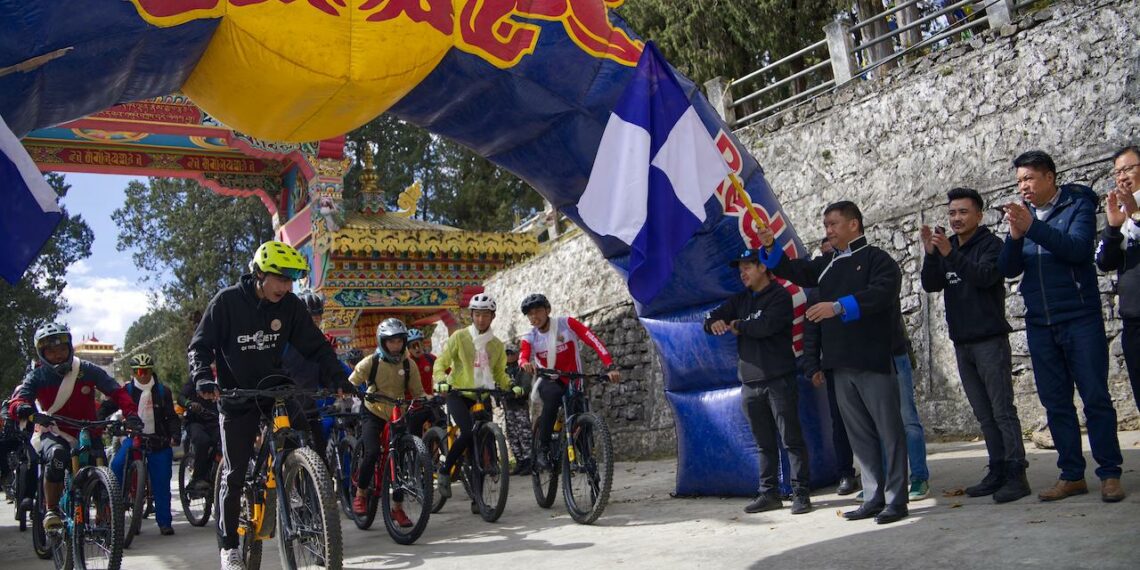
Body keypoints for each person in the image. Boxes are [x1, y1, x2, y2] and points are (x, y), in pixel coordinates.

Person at [187, 240, 353, 570]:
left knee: (301, 441)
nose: (286, 286)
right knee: (234, 474)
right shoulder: (227, 302)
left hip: (275, 389)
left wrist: (337, 377)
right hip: (237, 395)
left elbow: (317, 346)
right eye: (281, 277)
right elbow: (200, 346)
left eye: (291, 279)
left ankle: (294, 482)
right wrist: (204, 378)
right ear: (260, 273)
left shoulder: (290, 306)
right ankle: (230, 546)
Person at [758, 201, 909, 525]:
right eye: (825, 225)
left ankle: (897, 500)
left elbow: (881, 294)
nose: (828, 231)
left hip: (872, 360)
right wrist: (770, 245)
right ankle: (872, 496)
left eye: (833, 224)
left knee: (889, 433)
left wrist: (838, 307)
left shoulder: (877, 259)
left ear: (854, 224)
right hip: (839, 364)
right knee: (859, 436)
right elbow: (793, 270)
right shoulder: (826, 264)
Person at [998, 150, 1124, 503]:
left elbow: (1077, 249)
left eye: (1029, 178)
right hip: (1040, 322)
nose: (1023, 186)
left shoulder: (1077, 206)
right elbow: (1008, 269)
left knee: (1095, 398)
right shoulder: (1024, 219)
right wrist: (1014, 235)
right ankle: (1071, 475)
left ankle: (1110, 473)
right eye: (1019, 180)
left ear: (1050, 177)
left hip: (1079, 317)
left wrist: (1032, 227)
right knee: (1056, 403)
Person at [921, 187, 1029, 503]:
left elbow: (983, 277)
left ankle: (1016, 473)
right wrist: (931, 254)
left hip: (989, 341)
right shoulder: (947, 246)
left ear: (979, 215)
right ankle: (996, 469)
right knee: (984, 414)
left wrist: (948, 255)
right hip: (962, 342)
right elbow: (931, 284)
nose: (956, 218)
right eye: (952, 212)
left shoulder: (991, 245)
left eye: (963, 212)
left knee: (1002, 410)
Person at [705, 249, 812, 515]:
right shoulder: (740, 300)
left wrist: (738, 325)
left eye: (747, 267)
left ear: (763, 267)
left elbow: (765, 326)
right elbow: (710, 319)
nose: (743, 274)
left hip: (779, 380)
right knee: (763, 443)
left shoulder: (780, 296)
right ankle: (769, 493)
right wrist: (715, 324)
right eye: (740, 269)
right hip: (750, 385)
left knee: (791, 440)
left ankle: (801, 493)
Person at [8, 322, 138, 531]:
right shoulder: (37, 376)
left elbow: (116, 391)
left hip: (88, 430)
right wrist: (23, 409)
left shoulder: (87, 370)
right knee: (57, 456)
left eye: (62, 349)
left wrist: (131, 414)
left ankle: (106, 518)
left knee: (102, 469)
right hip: (54, 430)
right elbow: (19, 399)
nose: (58, 355)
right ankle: (51, 510)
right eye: (51, 351)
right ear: (42, 354)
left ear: (69, 348)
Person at [433, 293, 521, 501]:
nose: (481, 319)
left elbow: (499, 372)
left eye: (486, 315)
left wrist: (511, 385)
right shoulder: (460, 337)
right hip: (458, 393)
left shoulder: (497, 345)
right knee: (467, 432)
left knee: (480, 445)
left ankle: (478, 498)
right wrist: (440, 380)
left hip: (483, 394)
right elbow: (441, 362)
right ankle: (445, 470)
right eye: (478, 315)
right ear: (471, 315)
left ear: (493, 317)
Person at [517, 293, 620, 471]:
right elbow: (523, 356)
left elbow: (593, 340)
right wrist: (525, 363)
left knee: (581, 426)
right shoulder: (530, 336)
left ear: (548, 310)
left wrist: (610, 365)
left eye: (538, 311)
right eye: (530, 314)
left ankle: (589, 464)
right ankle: (543, 448)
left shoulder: (567, 324)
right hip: (549, 380)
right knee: (553, 397)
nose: (535, 317)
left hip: (574, 380)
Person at [346, 318, 424, 525]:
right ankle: (361, 492)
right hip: (373, 411)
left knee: (399, 460)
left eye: (399, 341)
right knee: (372, 451)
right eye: (391, 341)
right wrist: (347, 391)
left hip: (397, 413)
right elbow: (351, 381)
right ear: (382, 342)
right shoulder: (371, 362)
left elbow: (418, 391)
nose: (396, 346)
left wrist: (426, 399)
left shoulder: (409, 364)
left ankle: (397, 509)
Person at [803, 240, 860, 497]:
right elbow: (811, 333)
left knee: (873, 420)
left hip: (864, 362)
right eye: (825, 254)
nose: (830, 257)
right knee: (839, 423)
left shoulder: (861, 279)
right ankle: (846, 473)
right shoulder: (816, 294)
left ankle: (882, 473)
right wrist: (813, 365)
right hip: (834, 366)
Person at [100, 353, 181, 535]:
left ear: (151, 370)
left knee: (162, 482)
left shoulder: (163, 391)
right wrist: (98, 420)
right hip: (134, 439)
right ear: (134, 372)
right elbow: (108, 407)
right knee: (117, 466)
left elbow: (172, 417)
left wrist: (175, 435)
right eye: (139, 371)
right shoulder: (126, 390)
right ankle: (112, 513)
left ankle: (164, 522)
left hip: (158, 441)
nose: (143, 374)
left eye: (146, 370)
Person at [1096, 145, 1140, 413]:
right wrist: (1113, 227)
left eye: (1129, 169)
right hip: (1134, 318)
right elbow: (1103, 261)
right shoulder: (1120, 211)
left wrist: (1136, 214)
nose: (1122, 176)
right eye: (1117, 172)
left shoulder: (1132, 210)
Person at [281, 289, 335, 461]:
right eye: (312, 319)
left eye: (318, 319)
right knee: (287, 454)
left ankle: (320, 487)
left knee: (321, 456)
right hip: (286, 406)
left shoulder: (320, 344)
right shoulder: (284, 341)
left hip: (310, 406)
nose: (315, 323)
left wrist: (335, 387)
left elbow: (326, 371)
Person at [179, 366, 220, 496]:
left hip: (216, 421)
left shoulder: (225, 378)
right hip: (196, 421)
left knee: (225, 440)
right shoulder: (196, 378)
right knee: (202, 441)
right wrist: (189, 404)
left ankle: (217, 474)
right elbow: (181, 397)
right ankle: (198, 478)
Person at [502, 344, 534, 475]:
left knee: (524, 434)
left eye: (511, 353)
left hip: (520, 406)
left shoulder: (523, 367)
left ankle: (529, 462)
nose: (509, 356)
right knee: (512, 435)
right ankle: (519, 462)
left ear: (517, 354)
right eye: (507, 353)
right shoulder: (502, 370)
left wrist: (519, 391)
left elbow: (526, 385)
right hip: (508, 407)